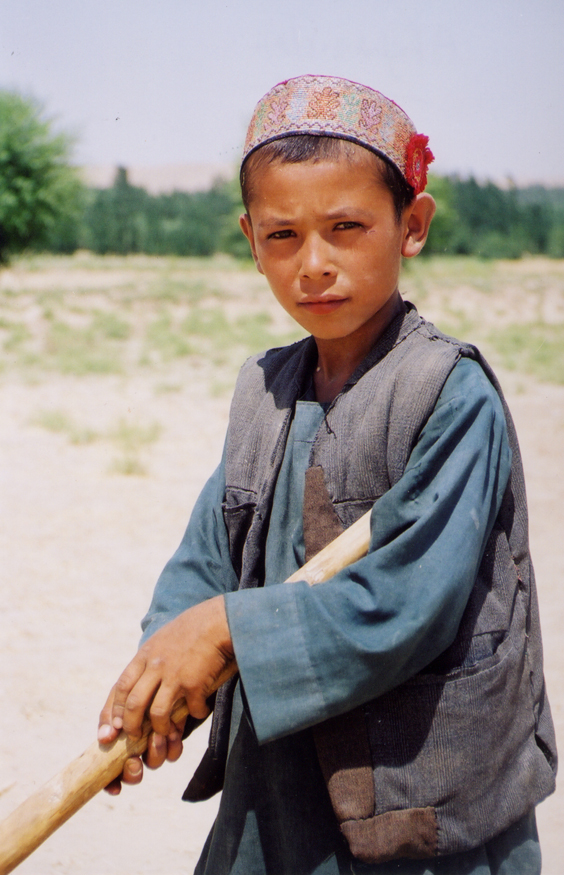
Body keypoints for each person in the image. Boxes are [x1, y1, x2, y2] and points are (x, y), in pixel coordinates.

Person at [98, 75, 557, 874]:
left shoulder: (449, 395)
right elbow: (210, 556)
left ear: (411, 225)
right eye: (283, 236)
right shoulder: (264, 392)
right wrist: (161, 679)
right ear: (250, 240)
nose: (315, 264)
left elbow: (406, 604)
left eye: (348, 227)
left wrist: (228, 629)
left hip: (422, 798)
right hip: (280, 792)